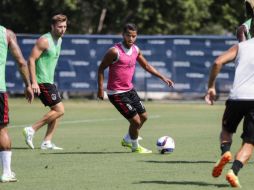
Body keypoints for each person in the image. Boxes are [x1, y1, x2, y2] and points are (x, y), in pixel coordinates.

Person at [97, 23, 174, 153]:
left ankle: (127, 139)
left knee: (144, 117)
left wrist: (163, 77)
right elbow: (101, 69)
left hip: (130, 90)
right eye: (128, 35)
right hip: (116, 93)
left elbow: (147, 66)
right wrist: (100, 89)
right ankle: (135, 146)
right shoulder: (114, 51)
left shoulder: (136, 50)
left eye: (134, 36)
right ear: (123, 35)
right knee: (136, 121)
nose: (131, 38)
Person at [205, 37, 254, 187]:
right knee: (249, 142)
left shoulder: (241, 46)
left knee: (226, 131)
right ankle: (234, 171)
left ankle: (225, 151)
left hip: (236, 98)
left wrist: (211, 86)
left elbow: (217, 62)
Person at [23, 14, 67, 150]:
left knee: (56, 110)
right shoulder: (44, 40)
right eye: (60, 27)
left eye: (65, 26)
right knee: (60, 110)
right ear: (52, 26)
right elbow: (30, 60)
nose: (63, 29)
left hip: (50, 81)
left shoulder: (59, 40)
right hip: (42, 82)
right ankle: (31, 129)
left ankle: (47, 141)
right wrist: (33, 83)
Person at [0, 25, 34, 182]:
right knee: (1, 130)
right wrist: (28, 84)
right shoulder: (6, 34)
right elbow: (21, 62)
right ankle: (6, 172)